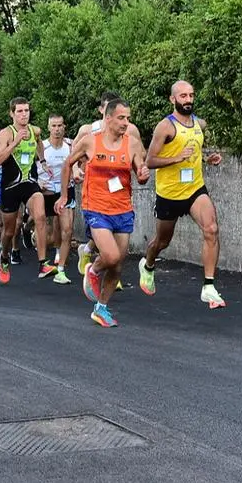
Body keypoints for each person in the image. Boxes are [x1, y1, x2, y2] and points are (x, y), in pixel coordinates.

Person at [55, 99, 150, 328]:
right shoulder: (90, 141)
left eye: (128, 118)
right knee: (111, 256)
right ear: (108, 119)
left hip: (123, 209)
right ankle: (94, 269)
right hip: (96, 207)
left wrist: (144, 174)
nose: (126, 122)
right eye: (121, 118)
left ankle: (101, 308)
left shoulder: (133, 144)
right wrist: (64, 196)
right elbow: (68, 164)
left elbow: (141, 172)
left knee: (118, 265)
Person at [139, 81, 226, 308]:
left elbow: (195, 151)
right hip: (169, 194)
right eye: (183, 96)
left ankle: (208, 286)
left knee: (211, 229)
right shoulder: (165, 127)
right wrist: (176, 158)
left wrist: (208, 159)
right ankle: (148, 265)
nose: (188, 100)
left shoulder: (200, 124)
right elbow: (150, 161)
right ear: (173, 99)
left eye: (191, 95)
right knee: (162, 242)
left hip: (194, 189)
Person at [72, 92, 144, 288]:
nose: (124, 121)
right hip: (96, 196)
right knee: (108, 245)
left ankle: (93, 256)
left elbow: (141, 158)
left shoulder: (131, 131)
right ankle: (96, 261)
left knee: (115, 251)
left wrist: (142, 170)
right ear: (102, 111)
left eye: (126, 117)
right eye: (105, 108)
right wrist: (75, 169)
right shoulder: (89, 131)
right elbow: (73, 155)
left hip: (120, 197)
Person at [0, 97, 54, 285]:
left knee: (41, 216)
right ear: (12, 113)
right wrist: (15, 142)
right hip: (10, 186)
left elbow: (39, 143)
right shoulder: (6, 133)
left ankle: (43, 263)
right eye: (19, 111)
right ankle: (4, 257)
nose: (23, 114)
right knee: (10, 231)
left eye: (26, 110)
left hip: (29, 182)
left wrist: (42, 161)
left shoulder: (35, 130)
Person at [36, 115, 75, 285]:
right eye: (54, 125)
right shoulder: (42, 147)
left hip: (65, 191)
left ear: (64, 127)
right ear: (48, 127)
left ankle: (61, 270)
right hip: (46, 191)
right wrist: (38, 182)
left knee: (67, 229)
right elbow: (30, 168)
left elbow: (77, 164)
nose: (57, 129)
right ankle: (31, 231)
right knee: (48, 230)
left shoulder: (70, 146)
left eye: (60, 125)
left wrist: (77, 173)